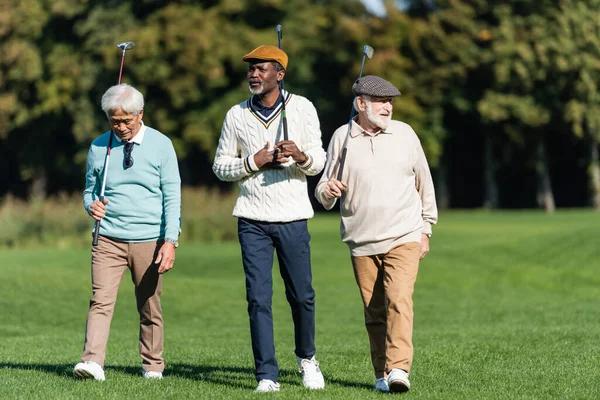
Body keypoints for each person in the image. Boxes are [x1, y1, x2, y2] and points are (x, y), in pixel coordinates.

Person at [213, 45, 327, 392]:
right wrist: (254, 161)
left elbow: (319, 163)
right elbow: (220, 166)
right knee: (258, 298)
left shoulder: (303, 107)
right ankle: (266, 374)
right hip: (252, 219)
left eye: (261, 69)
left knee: (302, 296)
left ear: (280, 74)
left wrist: (299, 155)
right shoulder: (235, 115)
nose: (254, 75)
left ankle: (307, 360)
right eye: (251, 70)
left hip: (293, 217)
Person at [315, 75, 438, 393]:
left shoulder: (405, 134)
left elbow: (424, 182)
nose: (388, 107)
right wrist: (328, 190)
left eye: (390, 101)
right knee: (373, 311)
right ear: (360, 104)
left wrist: (426, 228)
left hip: (404, 233)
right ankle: (381, 372)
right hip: (361, 239)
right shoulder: (343, 138)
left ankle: (399, 369)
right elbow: (324, 194)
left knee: (399, 300)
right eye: (381, 101)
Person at [73, 83, 181, 381]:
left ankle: (152, 365)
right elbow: (89, 190)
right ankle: (92, 362)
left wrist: (170, 241)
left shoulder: (162, 145)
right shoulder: (98, 147)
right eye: (113, 121)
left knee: (149, 303)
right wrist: (91, 205)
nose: (119, 127)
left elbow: (172, 196)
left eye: (125, 121)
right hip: (107, 237)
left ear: (140, 114)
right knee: (100, 300)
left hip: (150, 239)